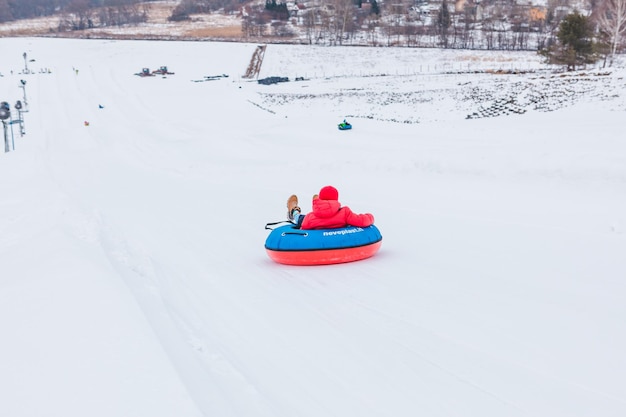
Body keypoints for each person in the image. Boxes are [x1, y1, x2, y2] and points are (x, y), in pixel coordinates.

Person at [287, 185, 374, 230]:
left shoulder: (310, 217)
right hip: (333, 225)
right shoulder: (345, 213)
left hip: (314, 217)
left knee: (299, 218)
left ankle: (294, 210)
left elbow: (302, 229)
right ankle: (294, 209)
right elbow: (361, 220)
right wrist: (370, 216)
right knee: (302, 219)